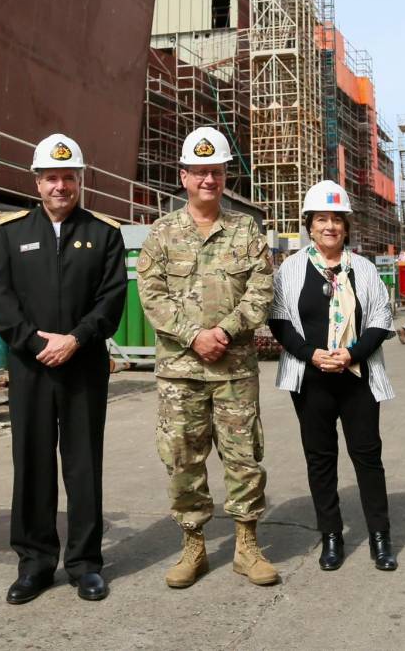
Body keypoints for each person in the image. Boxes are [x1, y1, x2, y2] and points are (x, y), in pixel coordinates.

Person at [0, 133, 127, 605]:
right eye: (51, 177)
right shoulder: (10, 234)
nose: (60, 186)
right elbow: (1, 300)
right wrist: (33, 342)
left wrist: (77, 338)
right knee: (32, 463)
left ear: (80, 180)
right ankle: (35, 563)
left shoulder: (105, 234)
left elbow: (112, 300)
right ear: (37, 181)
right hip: (30, 369)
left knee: (83, 465)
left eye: (68, 177)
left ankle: (85, 563)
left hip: (83, 365)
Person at [137, 126, 278, 588]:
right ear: (183, 177)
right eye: (199, 172)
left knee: (243, 458)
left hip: (234, 370)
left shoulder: (245, 230)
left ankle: (246, 545)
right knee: (182, 459)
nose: (208, 180)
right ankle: (193, 545)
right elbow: (152, 295)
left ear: (224, 178)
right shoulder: (161, 234)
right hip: (181, 373)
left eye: (215, 172)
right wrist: (195, 335)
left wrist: (225, 330)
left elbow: (261, 291)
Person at [268, 180, 398, 572]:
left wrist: (352, 353)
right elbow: (279, 321)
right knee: (320, 459)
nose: (329, 227)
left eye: (336, 220)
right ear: (309, 224)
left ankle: (380, 536)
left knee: (367, 456)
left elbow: (380, 318)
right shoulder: (290, 269)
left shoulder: (363, 269)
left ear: (346, 226)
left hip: (356, 375)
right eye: (321, 219)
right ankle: (331, 536)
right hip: (312, 379)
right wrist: (312, 355)